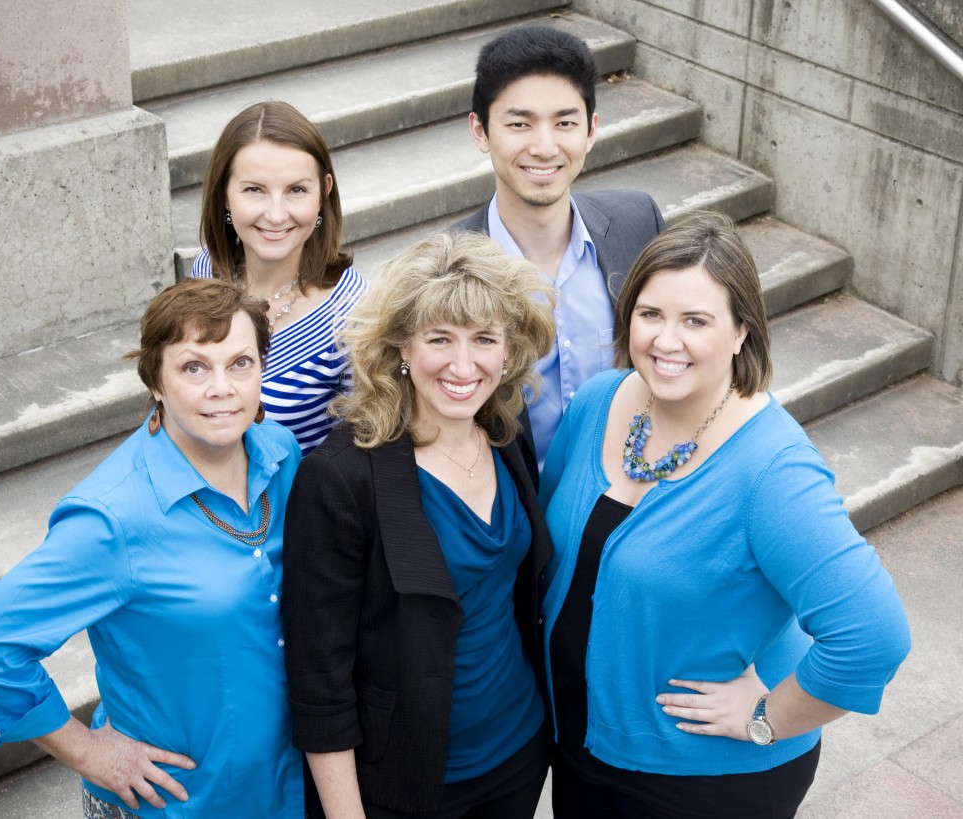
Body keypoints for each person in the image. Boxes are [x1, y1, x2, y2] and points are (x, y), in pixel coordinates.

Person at [538, 212, 911, 818]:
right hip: (583, 743)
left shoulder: (772, 469)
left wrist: (767, 718)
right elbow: (552, 549)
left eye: (696, 321)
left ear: (742, 332)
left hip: (699, 780)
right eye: (650, 314)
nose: (665, 340)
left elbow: (872, 636)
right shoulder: (605, 399)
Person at [0, 279, 304, 818]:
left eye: (240, 363)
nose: (222, 387)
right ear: (155, 381)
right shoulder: (112, 518)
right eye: (193, 367)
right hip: (180, 804)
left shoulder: (280, 452)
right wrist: (89, 752)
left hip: (286, 787)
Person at [282, 231, 558, 818]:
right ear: (401, 346)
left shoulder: (507, 428)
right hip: (408, 785)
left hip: (520, 752)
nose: (464, 365)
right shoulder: (340, 479)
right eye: (440, 338)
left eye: (485, 339)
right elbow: (319, 678)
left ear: (508, 350)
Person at [454, 25, 666, 469]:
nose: (545, 147)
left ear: (590, 130)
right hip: (518, 516)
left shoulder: (638, 222)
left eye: (565, 123)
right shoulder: (446, 267)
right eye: (519, 124)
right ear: (480, 131)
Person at [193, 100, 367, 454]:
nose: (275, 215)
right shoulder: (206, 270)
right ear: (225, 195)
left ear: (324, 192)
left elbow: (362, 451)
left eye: (296, 190)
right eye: (254, 190)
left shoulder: (352, 312)